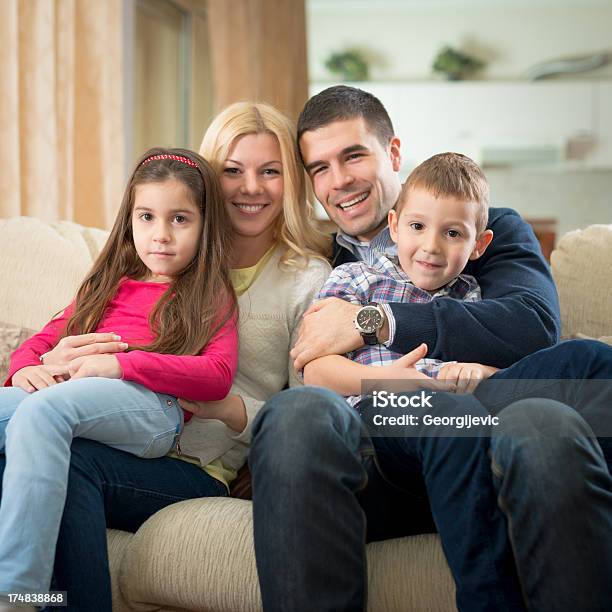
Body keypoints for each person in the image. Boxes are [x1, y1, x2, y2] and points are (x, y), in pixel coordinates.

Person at [249, 85, 612, 612]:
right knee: (298, 414)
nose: (340, 180)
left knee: (590, 366)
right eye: (319, 168)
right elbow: (313, 363)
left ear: (392, 153)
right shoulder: (319, 263)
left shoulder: (484, 230)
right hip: (379, 446)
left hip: (476, 425)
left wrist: (378, 322)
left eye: (353, 155)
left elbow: (532, 328)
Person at [0, 102, 331, 612]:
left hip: (197, 463)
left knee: (68, 462)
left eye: (271, 171)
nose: (250, 188)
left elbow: (307, 418)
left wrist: (216, 405)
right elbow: (63, 330)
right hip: (110, 423)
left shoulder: (305, 279)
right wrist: (44, 361)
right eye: (233, 170)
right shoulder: (149, 269)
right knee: (35, 442)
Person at [0, 148, 238, 609]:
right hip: (78, 400)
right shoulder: (105, 284)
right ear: (129, 219)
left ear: (205, 225)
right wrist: (26, 368)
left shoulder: (209, 292)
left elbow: (217, 376)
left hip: (153, 412)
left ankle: (16, 591)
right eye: (147, 217)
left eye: (180, 220)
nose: (161, 235)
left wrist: (123, 364)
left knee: (47, 413)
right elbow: (42, 342)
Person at [304, 151, 495, 401]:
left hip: (444, 414)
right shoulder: (356, 278)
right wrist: (384, 381)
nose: (431, 246)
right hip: (374, 411)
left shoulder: (471, 295)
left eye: (452, 233)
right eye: (417, 226)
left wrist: (478, 372)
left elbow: (502, 369)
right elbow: (315, 372)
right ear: (394, 226)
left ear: (479, 244)